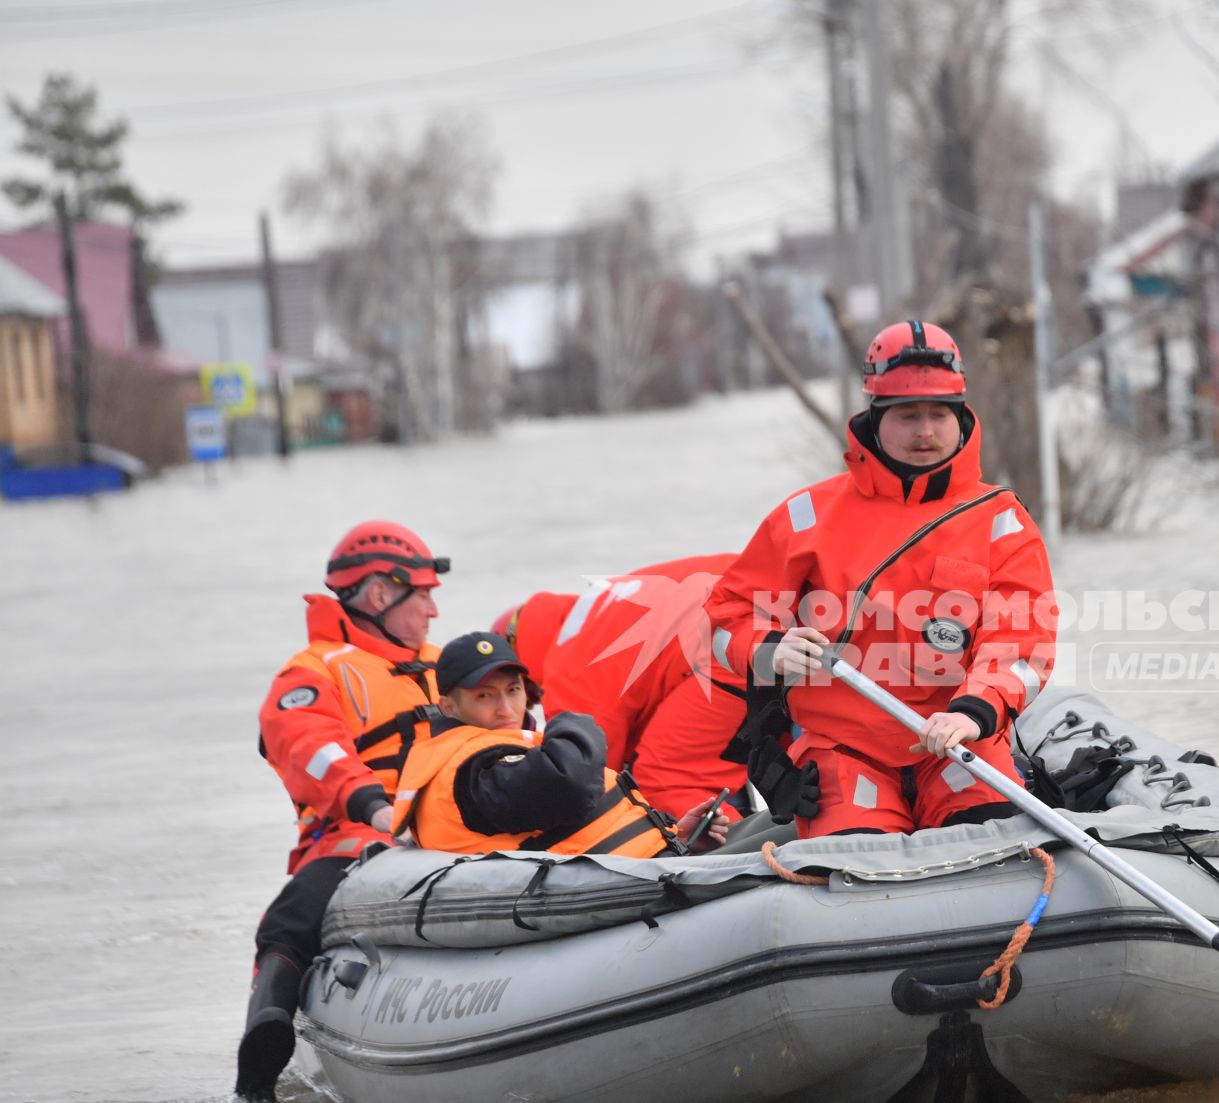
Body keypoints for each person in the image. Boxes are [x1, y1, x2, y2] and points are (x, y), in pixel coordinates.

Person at [706, 320, 1056, 837]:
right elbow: (725, 618)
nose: (925, 431)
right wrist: (768, 648)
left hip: (956, 740)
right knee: (854, 871)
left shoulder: (1000, 520)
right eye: (908, 416)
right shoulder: (805, 517)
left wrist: (974, 713)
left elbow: (1020, 643)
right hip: (844, 747)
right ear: (874, 420)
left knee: (1001, 851)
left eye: (939, 414)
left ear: (961, 417)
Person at [237, 520, 447, 1103]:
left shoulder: (448, 667)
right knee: (292, 917)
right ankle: (263, 1047)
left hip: (458, 829)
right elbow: (308, 748)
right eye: (424, 593)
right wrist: (375, 808)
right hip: (355, 838)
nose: (433, 610)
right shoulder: (312, 672)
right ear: (381, 594)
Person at [390, 631, 731, 857]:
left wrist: (676, 830)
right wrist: (572, 721)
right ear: (448, 707)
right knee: (779, 836)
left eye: (513, 690)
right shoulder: (471, 771)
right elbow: (568, 783)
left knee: (773, 829)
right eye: (484, 696)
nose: (506, 709)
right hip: (636, 884)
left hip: (657, 857)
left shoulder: (491, 751)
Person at [495, 553, 748, 822]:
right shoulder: (603, 606)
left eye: (526, 694)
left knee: (667, 782)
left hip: (735, 647)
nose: (536, 702)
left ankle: (747, 859)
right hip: (779, 608)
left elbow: (587, 780)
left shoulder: (568, 670)